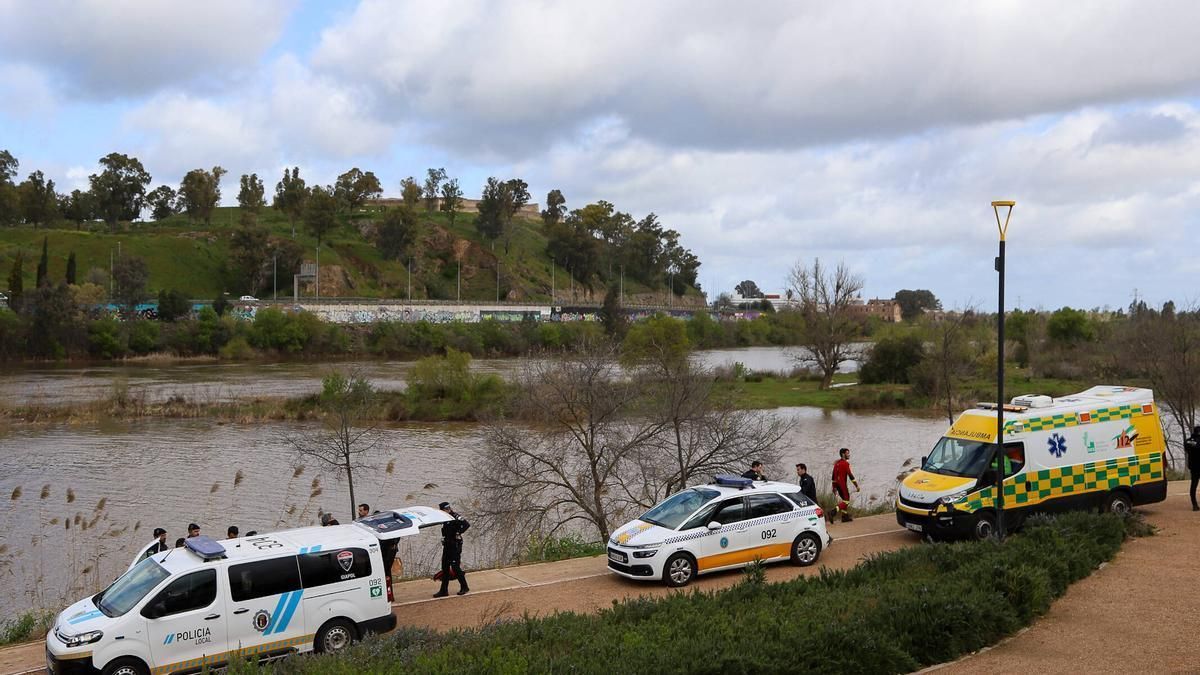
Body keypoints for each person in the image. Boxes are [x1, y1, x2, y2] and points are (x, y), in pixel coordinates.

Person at [433, 501, 470, 597]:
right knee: (445, 567)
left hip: (455, 546)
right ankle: (443, 590)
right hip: (447, 545)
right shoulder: (444, 518)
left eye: (446, 509)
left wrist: (458, 532)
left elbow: (466, 524)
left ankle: (464, 587)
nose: (446, 511)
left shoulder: (455, 516)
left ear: (448, 509)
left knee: (455, 567)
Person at [831, 448, 860, 522]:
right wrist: (857, 486)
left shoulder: (836, 463)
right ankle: (833, 512)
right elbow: (850, 475)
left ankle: (844, 517)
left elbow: (833, 476)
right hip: (842, 485)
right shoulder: (845, 463)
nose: (849, 455)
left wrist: (834, 487)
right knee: (846, 501)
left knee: (844, 500)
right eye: (847, 453)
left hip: (837, 485)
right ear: (843, 454)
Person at [1186, 426, 1200, 512]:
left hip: (1193, 467)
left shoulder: (1188, 441)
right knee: (1194, 485)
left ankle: (1194, 505)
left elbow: (1187, 449)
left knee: (1193, 485)